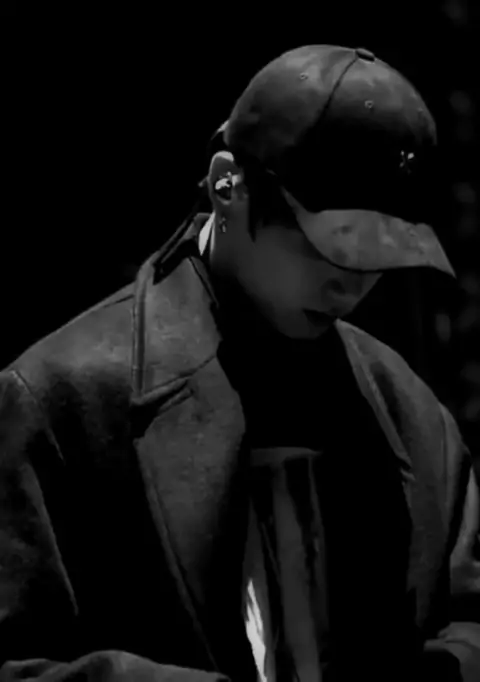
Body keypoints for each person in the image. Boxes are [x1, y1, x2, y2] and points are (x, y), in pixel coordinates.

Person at [0, 45, 479, 682]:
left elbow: (469, 621)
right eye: (330, 244)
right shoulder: (62, 401)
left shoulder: (412, 415)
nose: (350, 283)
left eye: (378, 254)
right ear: (229, 186)